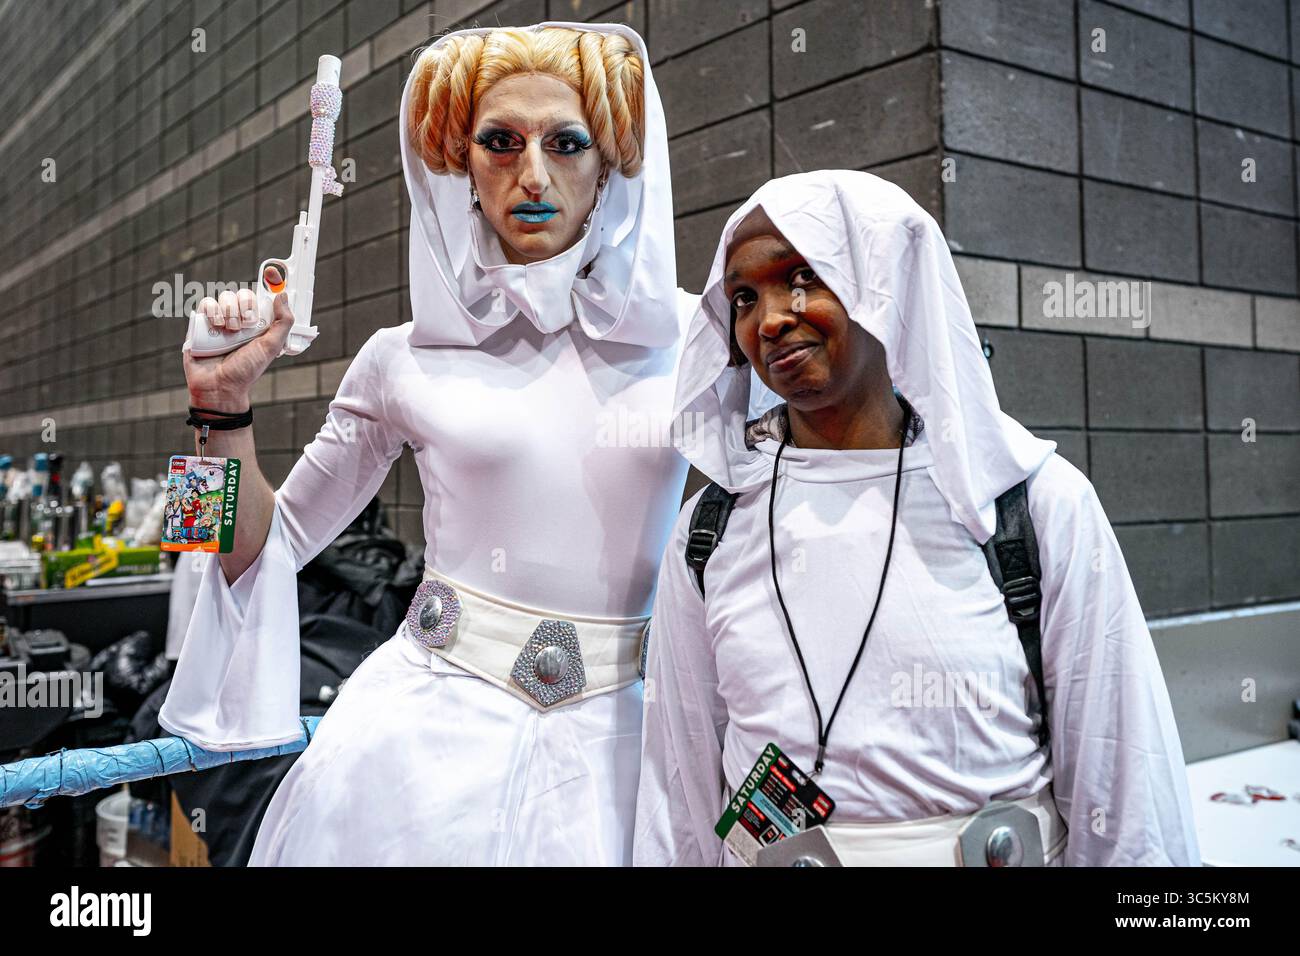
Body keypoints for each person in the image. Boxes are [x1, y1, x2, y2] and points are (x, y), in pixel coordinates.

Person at [160, 21, 692, 865]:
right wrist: (216, 413)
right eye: (500, 143)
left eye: (566, 142)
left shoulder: (699, 341)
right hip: (414, 762)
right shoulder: (398, 359)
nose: (533, 175)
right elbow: (249, 553)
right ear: (461, 166)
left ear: (612, 162)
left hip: (631, 762)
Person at [633, 170, 1200, 867]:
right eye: (744, 297)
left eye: (803, 276)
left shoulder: (1028, 501)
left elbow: (1123, 771)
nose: (771, 318)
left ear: (885, 283)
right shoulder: (709, 529)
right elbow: (680, 782)